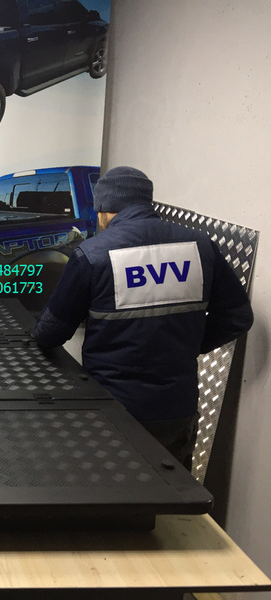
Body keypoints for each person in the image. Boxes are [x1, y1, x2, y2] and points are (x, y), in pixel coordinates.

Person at [32, 166, 253, 469]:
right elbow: (238, 317)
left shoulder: (93, 255)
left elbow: (49, 334)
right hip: (177, 409)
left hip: (114, 409)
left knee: (114, 489)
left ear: (104, 209)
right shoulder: (199, 246)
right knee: (172, 490)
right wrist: (188, 344)